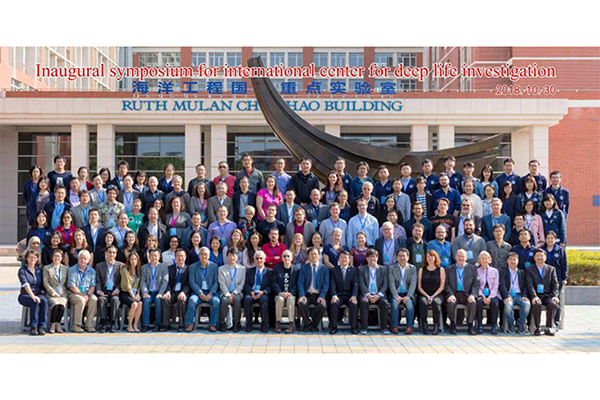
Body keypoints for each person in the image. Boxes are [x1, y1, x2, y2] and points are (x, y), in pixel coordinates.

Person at [445, 249, 480, 335]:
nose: (461, 258)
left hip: (466, 294)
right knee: (451, 303)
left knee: (473, 303)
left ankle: (470, 325)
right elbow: (446, 284)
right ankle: (453, 324)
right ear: (455, 257)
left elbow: (476, 283)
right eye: (459, 256)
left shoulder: (472, 268)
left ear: (466, 257)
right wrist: (450, 294)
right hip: (454, 293)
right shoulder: (449, 269)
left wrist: (473, 295)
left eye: (463, 256)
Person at [185, 247, 220, 332]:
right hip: (198, 293)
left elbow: (216, 282)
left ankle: (212, 324)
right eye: (202, 254)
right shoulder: (192, 267)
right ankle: (190, 324)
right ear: (199, 255)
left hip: (210, 292)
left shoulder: (214, 266)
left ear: (209, 256)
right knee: (192, 300)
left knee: (216, 301)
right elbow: (192, 282)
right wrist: (200, 293)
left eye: (206, 254)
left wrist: (211, 293)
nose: (204, 256)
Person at [526, 249, 560, 336]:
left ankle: (549, 327)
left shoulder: (551, 269)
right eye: (537, 256)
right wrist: (534, 296)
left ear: (545, 257)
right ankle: (537, 327)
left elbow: (555, 285)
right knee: (537, 304)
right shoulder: (529, 269)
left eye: (542, 256)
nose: (540, 258)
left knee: (553, 304)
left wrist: (555, 296)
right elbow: (530, 285)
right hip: (535, 295)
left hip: (547, 295)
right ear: (534, 258)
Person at [297, 247, 329, 332]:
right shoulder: (304, 268)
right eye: (311, 254)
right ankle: (307, 324)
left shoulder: (324, 269)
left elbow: (326, 284)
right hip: (307, 294)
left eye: (315, 254)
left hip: (318, 295)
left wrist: (322, 296)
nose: (313, 256)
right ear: (308, 256)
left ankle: (314, 325)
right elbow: (300, 283)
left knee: (322, 306)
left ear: (319, 255)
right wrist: (302, 295)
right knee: (302, 304)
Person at [358, 249, 389, 334]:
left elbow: (385, 284)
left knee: (384, 303)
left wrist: (378, 295)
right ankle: (364, 327)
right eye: (370, 257)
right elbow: (361, 283)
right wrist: (368, 295)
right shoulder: (361, 269)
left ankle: (384, 327)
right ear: (367, 258)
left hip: (379, 294)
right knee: (364, 302)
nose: (372, 259)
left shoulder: (383, 269)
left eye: (374, 257)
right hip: (366, 294)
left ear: (377, 258)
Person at [328, 250, 359, 334]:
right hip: (339, 295)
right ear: (339, 259)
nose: (344, 259)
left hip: (349, 295)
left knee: (354, 304)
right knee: (334, 304)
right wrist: (334, 295)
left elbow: (355, 285)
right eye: (342, 257)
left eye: (345, 258)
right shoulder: (334, 270)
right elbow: (332, 284)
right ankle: (334, 327)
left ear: (349, 259)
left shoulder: (354, 270)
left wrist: (354, 296)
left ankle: (354, 327)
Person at [19, 250, 48, 336]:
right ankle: (33, 327)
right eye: (31, 257)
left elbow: (43, 284)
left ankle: (42, 326)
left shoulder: (39, 270)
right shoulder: (22, 270)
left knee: (44, 301)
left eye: (34, 257)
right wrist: (32, 296)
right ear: (27, 259)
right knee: (35, 301)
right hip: (25, 295)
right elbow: (25, 284)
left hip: (38, 293)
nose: (32, 259)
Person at [67, 250, 97, 333]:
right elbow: (72, 286)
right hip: (74, 293)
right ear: (78, 259)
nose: (83, 260)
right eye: (81, 258)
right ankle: (76, 325)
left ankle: (89, 324)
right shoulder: (72, 270)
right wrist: (82, 295)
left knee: (94, 299)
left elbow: (93, 286)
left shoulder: (92, 271)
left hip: (87, 292)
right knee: (81, 300)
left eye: (85, 258)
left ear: (88, 260)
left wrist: (88, 295)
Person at [500, 252, 531, 334]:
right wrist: (507, 296)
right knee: (508, 305)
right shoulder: (503, 272)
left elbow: (526, 286)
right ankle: (511, 323)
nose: (512, 261)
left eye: (514, 259)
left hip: (520, 295)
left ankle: (520, 323)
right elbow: (502, 286)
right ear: (507, 261)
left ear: (518, 261)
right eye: (510, 259)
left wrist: (524, 295)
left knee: (527, 304)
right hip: (509, 295)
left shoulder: (522, 272)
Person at [541, 231, 568, 326]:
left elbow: (564, 265)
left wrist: (564, 278)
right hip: (543, 278)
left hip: (557, 278)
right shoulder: (541, 250)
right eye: (548, 238)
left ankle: (556, 321)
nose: (550, 240)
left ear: (555, 239)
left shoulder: (560, 250)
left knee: (556, 298)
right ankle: (546, 321)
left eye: (552, 238)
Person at [417, 250, 446, 334]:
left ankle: (436, 325)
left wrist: (433, 296)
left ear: (435, 258)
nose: (430, 258)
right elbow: (419, 287)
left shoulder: (441, 270)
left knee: (436, 303)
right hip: (424, 294)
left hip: (437, 294)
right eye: (428, 257)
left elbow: (442, 286)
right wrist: (427, 296)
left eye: (432, 256)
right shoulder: (421, 270)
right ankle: (424, 325)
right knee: (423, 302)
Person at [95, 245, 123, 333]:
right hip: (104, 290)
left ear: (116, 254)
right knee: (101, 300)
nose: (111, 254)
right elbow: (98, 280)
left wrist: (117, 290)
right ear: (106, 253)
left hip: (115, 291)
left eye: (113, 253)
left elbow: (122, 281)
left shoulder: (121, 266)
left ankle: (113, 323)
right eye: (109, 252)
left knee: (115, 300)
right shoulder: (99, 266)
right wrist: (99, 291)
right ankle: (103, 323)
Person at [243, 250, 273, 332]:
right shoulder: (249, 271)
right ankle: (249, 324)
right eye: (257, 258)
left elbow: (271, 286)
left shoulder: (270, 272)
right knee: (247, 299)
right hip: (252, 292)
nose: (259, 260)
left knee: (263, 299)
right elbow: (246, 284)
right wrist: (251, 292)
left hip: (263, 293)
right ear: (254, 260)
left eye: (261, 258)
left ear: (265, 259)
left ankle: (264, 324)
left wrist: (263, 292)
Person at [389, 248, 417, 335]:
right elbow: (391, 283)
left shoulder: (412, 268)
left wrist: (408, 296)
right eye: (400, 256)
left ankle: (409, 327)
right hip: (396, 293)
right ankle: (394, 326)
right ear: (397, 257)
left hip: (407, 293)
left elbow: (413, 283)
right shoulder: (392, 268)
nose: (402, 258)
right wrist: (395, 295)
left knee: (409, 304)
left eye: (404, 256)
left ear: (408, 257)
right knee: (394, 303)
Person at [217, 247, 246, 332]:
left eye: (234, 255)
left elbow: (242, 284)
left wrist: (234, 293)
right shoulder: (221, 269)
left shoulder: (242, 269)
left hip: (237, 292)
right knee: (224, 301)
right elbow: (222, 284)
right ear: (226, 256)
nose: (232, 258)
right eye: (230, 255)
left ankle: (237, 323)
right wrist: (228, 294)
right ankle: (222, 323)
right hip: (225, 292)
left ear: (237, 257)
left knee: (237, 300)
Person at [161, 248, 190, 332]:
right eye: (178, 256)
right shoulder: (170, 268)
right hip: (172, 292)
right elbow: (167, 281)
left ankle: (181, 325)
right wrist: (168, 291)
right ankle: (166, 324)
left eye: (182, 256)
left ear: (185, 257)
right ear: (175, 257)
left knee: (181, 300)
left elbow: (189, 283)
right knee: (165, 299)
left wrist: (183, 292)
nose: (180, 258)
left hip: (184, 292)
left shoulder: (189, 269)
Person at [140, 248, 169, 332]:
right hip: (148, 292)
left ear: (159, 257)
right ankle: (145, 324)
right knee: (146, 301)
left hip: (158, 291)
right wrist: (145, 292)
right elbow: (142, 281)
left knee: (158, 301)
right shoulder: (144, 267)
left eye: (155, 256)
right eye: (152, 256)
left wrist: (161, 293)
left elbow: (165, 281)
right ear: (149, 256)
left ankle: (157, 324)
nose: (154, 258)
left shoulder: (163, 267)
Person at [273, 250, 300, 333]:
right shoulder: (277, 268)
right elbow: (274, 282)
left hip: (291, 293)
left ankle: (291, 323)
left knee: (291, 299)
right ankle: (278, 323)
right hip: (280, 293)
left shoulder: (296, 269)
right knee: (280, 299)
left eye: (288, 256)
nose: (286, 258)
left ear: (292, 258)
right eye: (284, 256)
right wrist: (280, 292)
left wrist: (291, 292)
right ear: (281, 258)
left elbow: (298, 283)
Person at [42, 248, 68, 334]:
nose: (57, 258)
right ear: (52, 257)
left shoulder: (65, 269)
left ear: (62, 258)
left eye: (59, 256)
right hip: (51, 293)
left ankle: (58, 324)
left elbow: (67, 283)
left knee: (61, 305)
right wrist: (53, 293)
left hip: (62, 294)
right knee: (55, 304)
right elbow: (45, 282)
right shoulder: (47, 268)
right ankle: (52, 324)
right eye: (55, 256)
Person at [475, 251, 500, 335]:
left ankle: (494, 325)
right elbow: (476, 285)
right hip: (481, 294)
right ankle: (480, 324)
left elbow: (496, 285)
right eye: (482, 258)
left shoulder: (495, 271)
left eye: (486, 258)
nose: (484, 260)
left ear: (490, 260)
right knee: (479, 302)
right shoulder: (476, 271)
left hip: (492, 294)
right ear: (479, 260)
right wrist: (482, 296)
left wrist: (490, 297)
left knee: (495, 303)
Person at [120, 252, 143, 332]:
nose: (133, 261)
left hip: (135, 293)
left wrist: (138, 294)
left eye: (135, 259)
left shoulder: (138, 271)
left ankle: (135, 325)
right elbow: (127, 286)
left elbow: (139, 284)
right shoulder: (125, 270)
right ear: (129, 260)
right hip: (126, 293)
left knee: (140, 304)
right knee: (134, 304)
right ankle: (129, 325)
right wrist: (133, 297)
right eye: (132, 259)